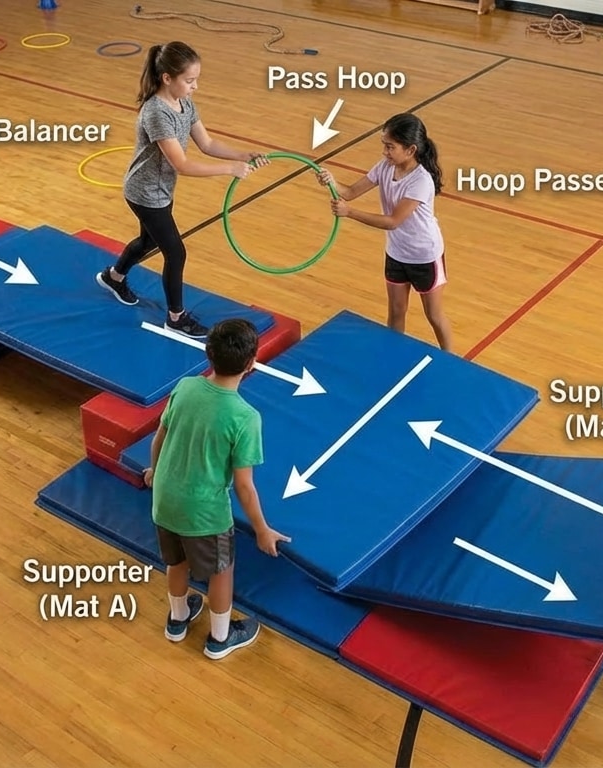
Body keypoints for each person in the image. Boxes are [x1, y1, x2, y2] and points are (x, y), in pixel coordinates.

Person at [96, 41, 270, 340]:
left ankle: (113, 277)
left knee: (148, 241)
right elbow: (182, 164)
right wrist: (229, 170)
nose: (195, 86)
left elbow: (208, 144)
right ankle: (176, 318)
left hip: (161, 191)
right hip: (145, 193)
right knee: (175, 252)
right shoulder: (156, 113)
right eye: (189, 81)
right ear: (167, 78)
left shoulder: (185, 103)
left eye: (196, 80)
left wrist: (241, 155)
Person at [142, 318, 291, 659]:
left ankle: (178, 620)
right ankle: (220, 639)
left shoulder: (185, 386)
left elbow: (159, 439)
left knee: (176, 562)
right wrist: (262, 529)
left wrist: (154, 472)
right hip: (205, 514)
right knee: (221, 572)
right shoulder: (244, 416)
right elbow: (244, 485)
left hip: (164, 501)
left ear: (208, 355)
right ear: (252, 363)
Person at [315, 113, 453, 352]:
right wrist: (331, 181)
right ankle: (393, 356)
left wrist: (349, 213)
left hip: (424, 256)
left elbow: (392, 221)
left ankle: (453, 361)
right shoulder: (385, 167)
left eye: (390, 147)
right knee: (396, 312)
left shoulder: (421, 181)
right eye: (384, 146)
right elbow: (349, 192)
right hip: (397, 253)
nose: (385, 152)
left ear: (410, 150)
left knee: (434, 315)